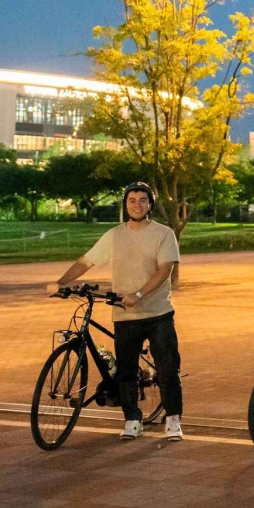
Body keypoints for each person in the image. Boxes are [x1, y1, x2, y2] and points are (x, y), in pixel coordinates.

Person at [52, 182, 185, 441]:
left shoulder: (163, 233)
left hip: (158, 313)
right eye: (132, 200)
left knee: (167, 369)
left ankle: (173, 419)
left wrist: (138, 294)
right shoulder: (114, 235)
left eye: (142, 200)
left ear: (150, 204)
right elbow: (86, 261)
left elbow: (165, 269)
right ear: (125, 204)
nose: (137, 204)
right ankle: (132, 419)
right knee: (125, 371)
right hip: (125, 315)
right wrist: (61, 283)